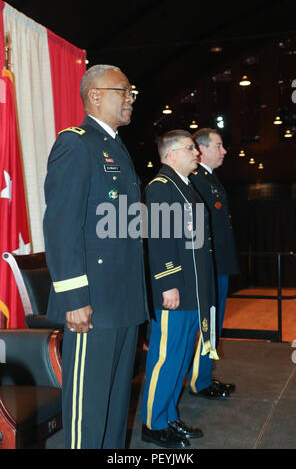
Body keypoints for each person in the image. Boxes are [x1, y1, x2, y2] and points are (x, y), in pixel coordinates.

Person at [43, 64, 149, 449]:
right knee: (87, 414)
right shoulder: (76, 143)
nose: (130, 98)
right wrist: (75, 299)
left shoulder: (116, 147)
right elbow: (61, 226)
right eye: (124, 90)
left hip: (122, 300)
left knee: (114, 408)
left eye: (130, 91)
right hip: (93, 302)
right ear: (95, 95)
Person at [141, 129, 218, 449]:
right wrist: (168, 283)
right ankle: (153, 423)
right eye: (190, 149)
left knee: (181, 356)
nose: (196, 154)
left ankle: (169, 415)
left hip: (193, 290)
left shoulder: (184, 186)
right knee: (165, 358)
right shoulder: (160, 188)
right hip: (176, 290)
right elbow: (160, 242)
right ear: (170, 154)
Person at [188, 128, 239, 398]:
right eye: (218, 146)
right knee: (206, 324)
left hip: (219, 263)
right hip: (208, 265)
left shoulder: (210, 179)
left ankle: (205, 376)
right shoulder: (196, 180)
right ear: (201, 149)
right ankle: (200, 380)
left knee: (214, 323)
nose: (224, 151)